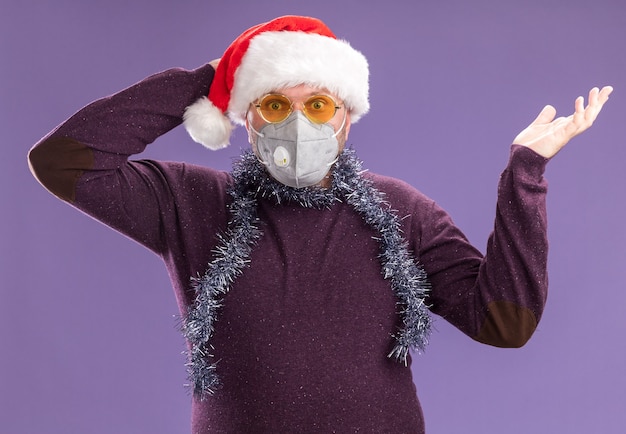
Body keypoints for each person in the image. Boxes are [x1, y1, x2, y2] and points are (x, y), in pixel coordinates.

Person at [28, 15, 612, 434]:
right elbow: (64, 161)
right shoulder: (192, 203)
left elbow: (503, 323)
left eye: (318, 105)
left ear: (347, 118)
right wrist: (212, 76)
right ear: (248, 118)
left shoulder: (400, 210)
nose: (298, 122)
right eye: (276, 103)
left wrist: (526, 175)